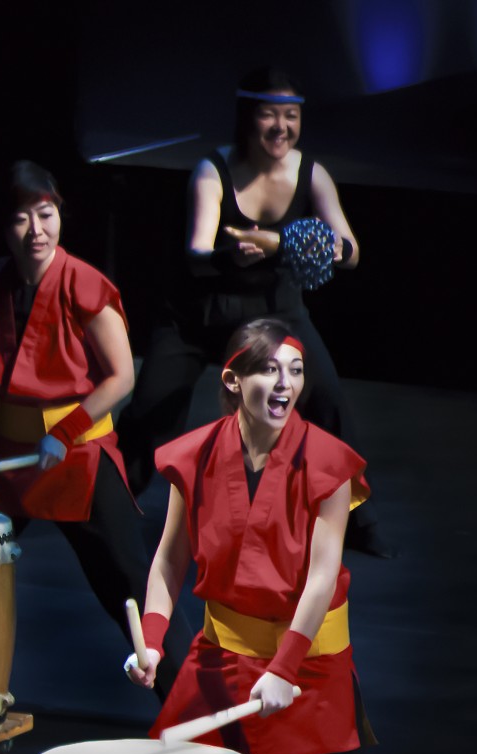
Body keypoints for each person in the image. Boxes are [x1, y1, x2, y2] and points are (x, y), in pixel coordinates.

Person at [124, 318, 451, 754]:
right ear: (233, 380)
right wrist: (153, 639)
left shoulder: (329, 462)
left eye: (295, 371)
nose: (285, 384)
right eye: (270, 369)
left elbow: (322, 573)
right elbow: (169, 560)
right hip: (222, 653)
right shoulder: (198, 453)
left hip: (310, 663)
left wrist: (287, 667)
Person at [117, 67, 392, 558]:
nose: (281, 127)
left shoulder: (312, 173)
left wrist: (288, 243)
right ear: (247, 118)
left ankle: (357, 516)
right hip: (199, 312)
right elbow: (198, 252)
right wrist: (237, 254)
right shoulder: (213, 168)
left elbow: (350, 250)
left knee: (326, 399)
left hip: (275, 311)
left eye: (291, 116)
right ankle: (110, 500)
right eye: (270, 115)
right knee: (153, 407)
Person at [0, 159, 191, 702]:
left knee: (129, 584)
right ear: (2, 226)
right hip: (9, 454)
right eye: (21, 219)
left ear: (60, 216)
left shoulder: (83, 283)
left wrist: (68, 429)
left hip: (76, 453)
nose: (36, 231)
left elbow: (122, 375)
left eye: (46, 214)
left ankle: (206, 716)